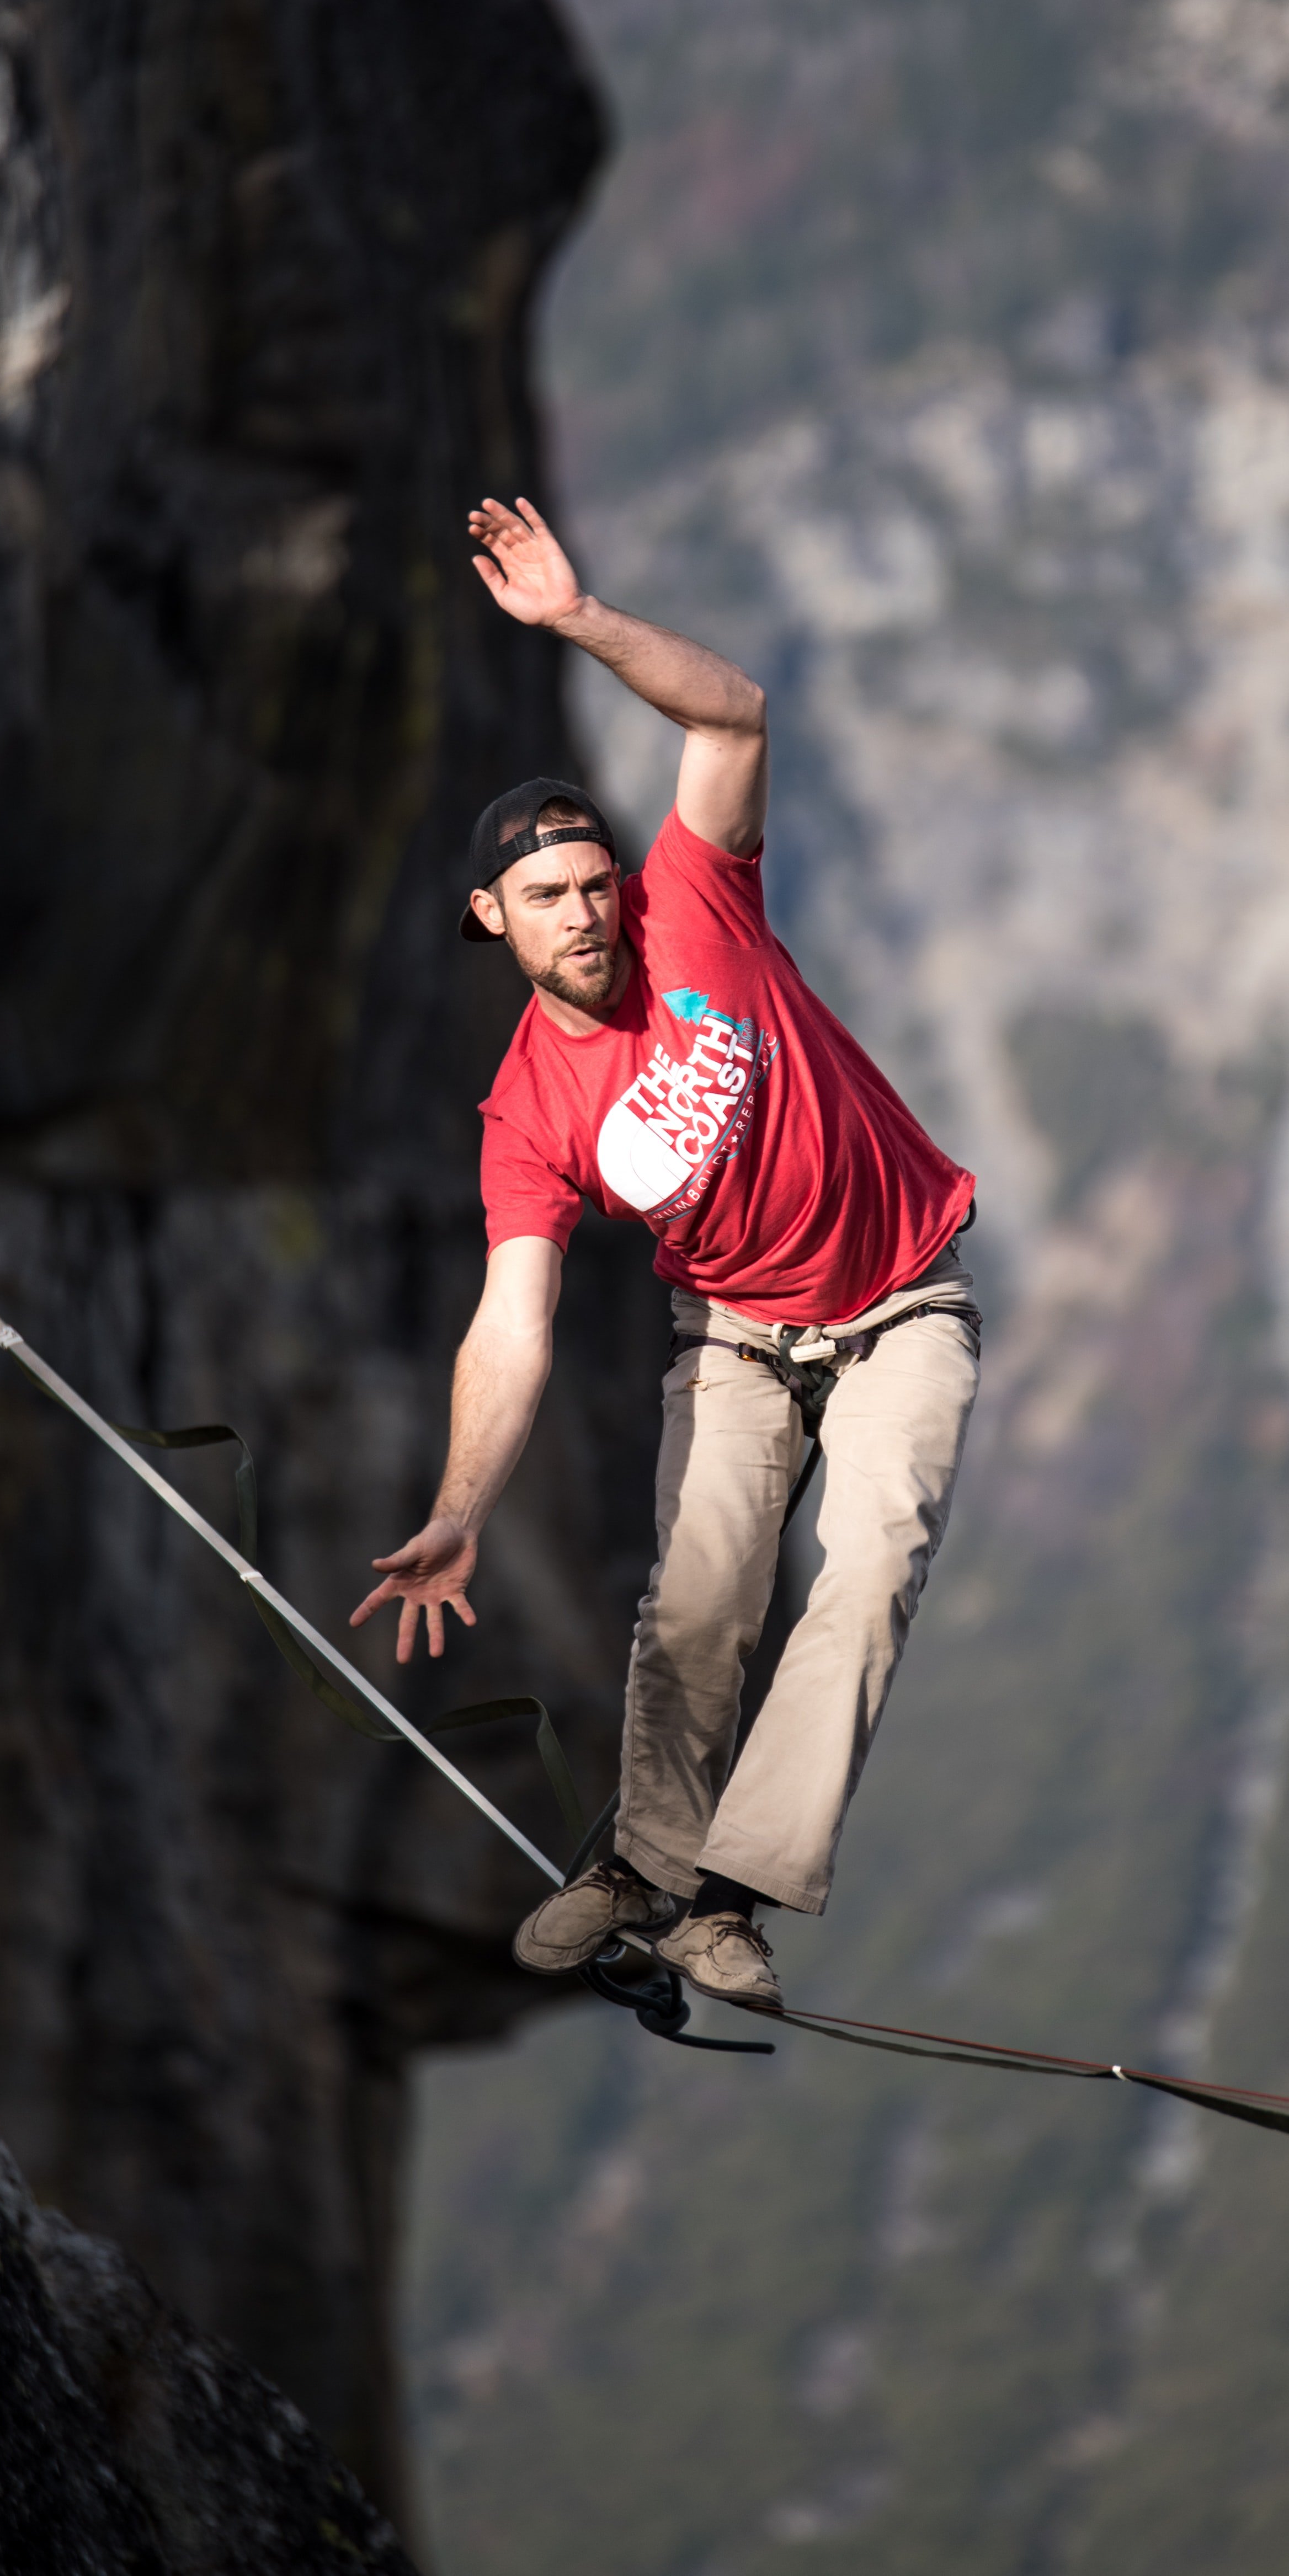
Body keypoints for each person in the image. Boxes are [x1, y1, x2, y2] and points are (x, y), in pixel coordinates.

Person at [349, 497, 979, 2011]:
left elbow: (735, 712)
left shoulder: (696, 899)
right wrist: (457, 1510)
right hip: (741, 1335)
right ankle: (642, 1865)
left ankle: (734, 1899)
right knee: (699, 1602)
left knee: (872, 1559)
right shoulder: (525, 1112)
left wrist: (576, 623)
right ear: (489, 920)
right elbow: (514, 1325)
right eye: (550, 898)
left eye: (595, 884)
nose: (588, 914)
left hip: (904, 1301)